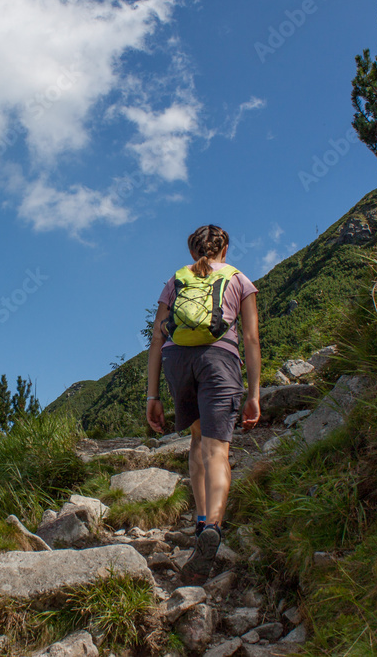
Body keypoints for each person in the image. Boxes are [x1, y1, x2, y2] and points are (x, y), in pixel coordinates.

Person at [146, 224, 261, 584]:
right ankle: (213, 524)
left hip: (177, 361)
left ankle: (199, 524)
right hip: (219, 360)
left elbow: (155, 338)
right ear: (225, 248)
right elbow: (251, 338)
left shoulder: (175, 280)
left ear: (193, 249)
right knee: (217, 449)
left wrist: (152, 396)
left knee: (197, 440)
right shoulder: (239, 279)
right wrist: (255, 393)